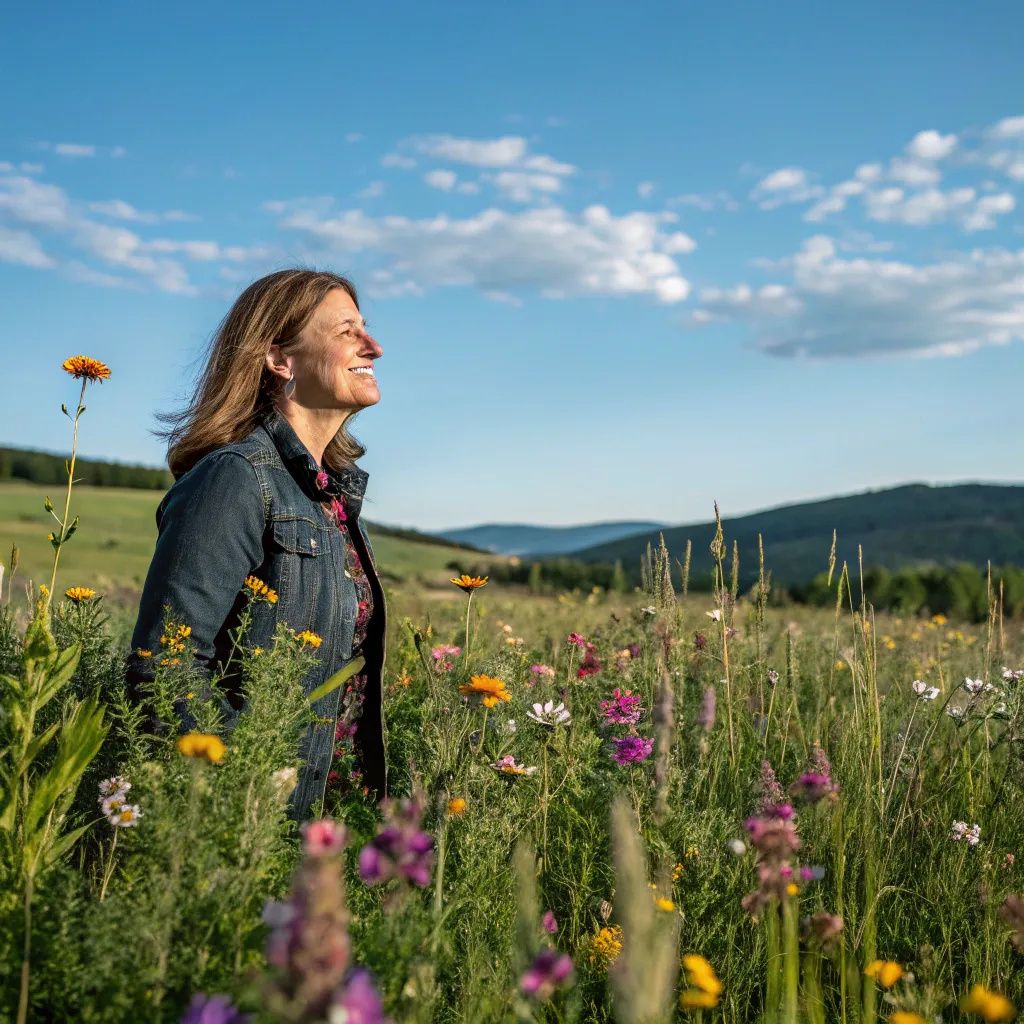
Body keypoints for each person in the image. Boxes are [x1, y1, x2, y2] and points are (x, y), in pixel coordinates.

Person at [125, 268, 387, 817]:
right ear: (279, 359)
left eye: (366, 329)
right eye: (346, 331)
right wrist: (244, 788)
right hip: (257, 824)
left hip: (332, 819)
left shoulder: (329, 495)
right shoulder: (236, 479)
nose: (374, 346)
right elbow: (166, 668)